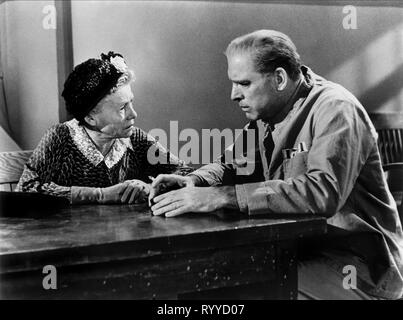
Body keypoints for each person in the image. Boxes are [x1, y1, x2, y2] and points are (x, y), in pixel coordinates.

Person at [148, 30, 403, 299]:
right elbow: (232, 165)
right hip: (301, 250)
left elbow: (323, 192)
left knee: (235, 292)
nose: (234, 95)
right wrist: (198, 181)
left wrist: (221, 196)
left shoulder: (336, 108)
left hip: (358, 264)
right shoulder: (268, 114)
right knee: (203, 286)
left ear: (279, 78)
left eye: (244, 83)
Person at [16, 51, 190, 204]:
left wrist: (151, 187)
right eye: (122, 108)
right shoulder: (60, 137)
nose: (133, 114)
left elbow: (186, 174)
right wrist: (100, 195)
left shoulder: (135, 138)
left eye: (131, 102)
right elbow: (26, 188)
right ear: (91, 117)